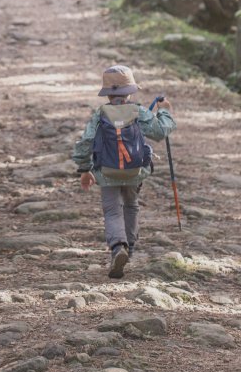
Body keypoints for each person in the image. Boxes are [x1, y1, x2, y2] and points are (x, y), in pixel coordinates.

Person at [72, 65, 175, 279]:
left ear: (107, 93)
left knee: (112, 210)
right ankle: (131, 245)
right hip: (134, 171)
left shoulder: (100, 115)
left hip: (106, 172)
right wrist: (164, 111)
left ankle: (118, 247)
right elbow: (160, 132)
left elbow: (85, 143)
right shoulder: (139, 111)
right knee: (131, 205)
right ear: (130, 92)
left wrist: (84, 169)